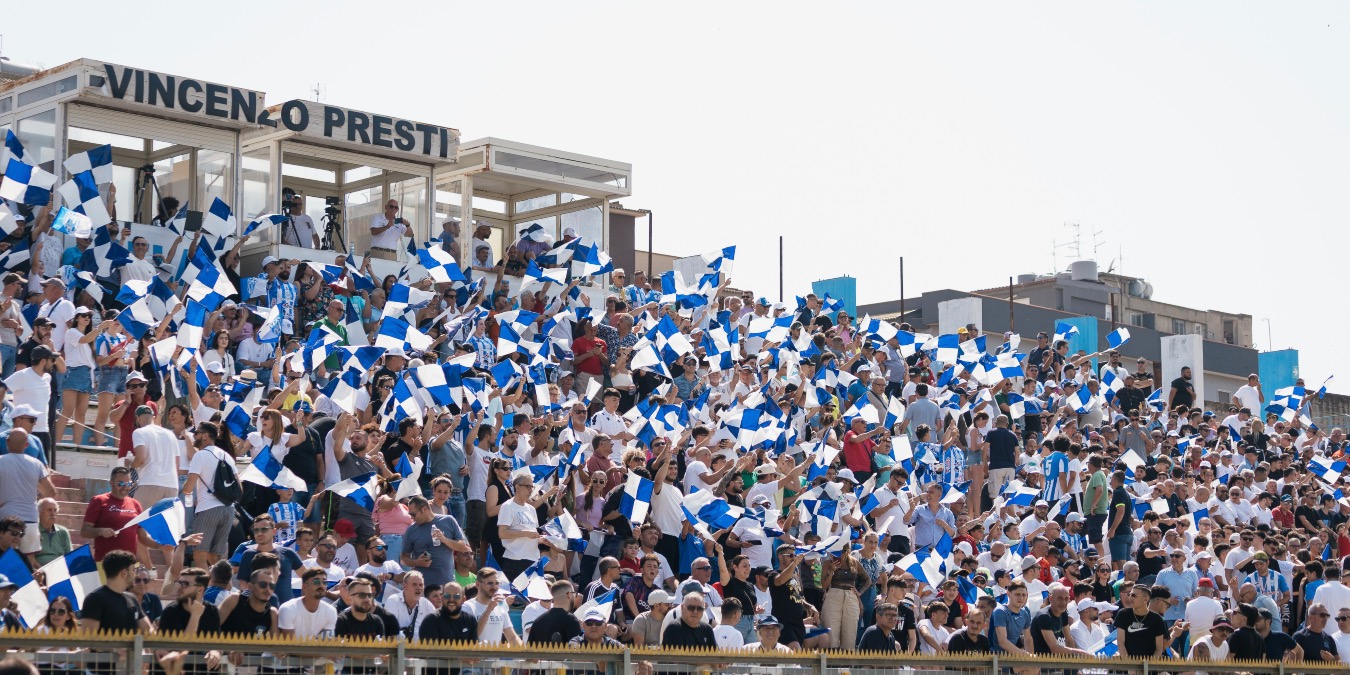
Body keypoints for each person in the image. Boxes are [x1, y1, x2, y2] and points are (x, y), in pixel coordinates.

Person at [154, 567, 224, 674]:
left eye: (185, 584)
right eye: (179, 583)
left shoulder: (212, 610)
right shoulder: (170, 611)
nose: (179, 587)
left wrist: (216, 652)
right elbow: (183, 648)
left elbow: (216, 642)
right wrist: (195, 616)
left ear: (200, 589)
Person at [0, 427, 54, 564]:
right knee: (28, 562)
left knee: (4, 559)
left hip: (5, 519)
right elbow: (50, 492)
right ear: (26, 445)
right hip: (30, 520)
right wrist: (34, 496)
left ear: (7, 442)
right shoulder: (36, 464)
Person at [402, 495, 472, 588]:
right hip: (423, 586)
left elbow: (463, 547)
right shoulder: (411, 530)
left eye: (413, 514)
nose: (411, 518)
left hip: (446, 583)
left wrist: (444, 539)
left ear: (424, 509)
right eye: (410, 514)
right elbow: (403, 559)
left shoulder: (448, 520)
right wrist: (417, 562)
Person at [80, 549, 154, 633]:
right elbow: (89, 638)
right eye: (133, 570)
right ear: (124, 573)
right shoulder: (94, 599)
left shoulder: (132, 598)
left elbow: (149, 631)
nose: (135, 574)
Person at [279, 567, 339, 639]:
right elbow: (289, 646)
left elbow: (325, 644)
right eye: (316, 582)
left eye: (324, 582)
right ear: (305, 586)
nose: (321, 585)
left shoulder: (330, 611)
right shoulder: (288, 609)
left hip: (314, 650)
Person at [1113, 584, 1168, 658]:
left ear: (1145, 599)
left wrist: (1148, 667)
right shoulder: (1123, 614)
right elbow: (1120, 643)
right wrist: (1129, 665)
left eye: (1134, 595)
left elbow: (1159, 649)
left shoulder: (1157, 619)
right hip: (1127, 664)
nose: (1130, 598)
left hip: (1149, 665)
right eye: (1130, 594)